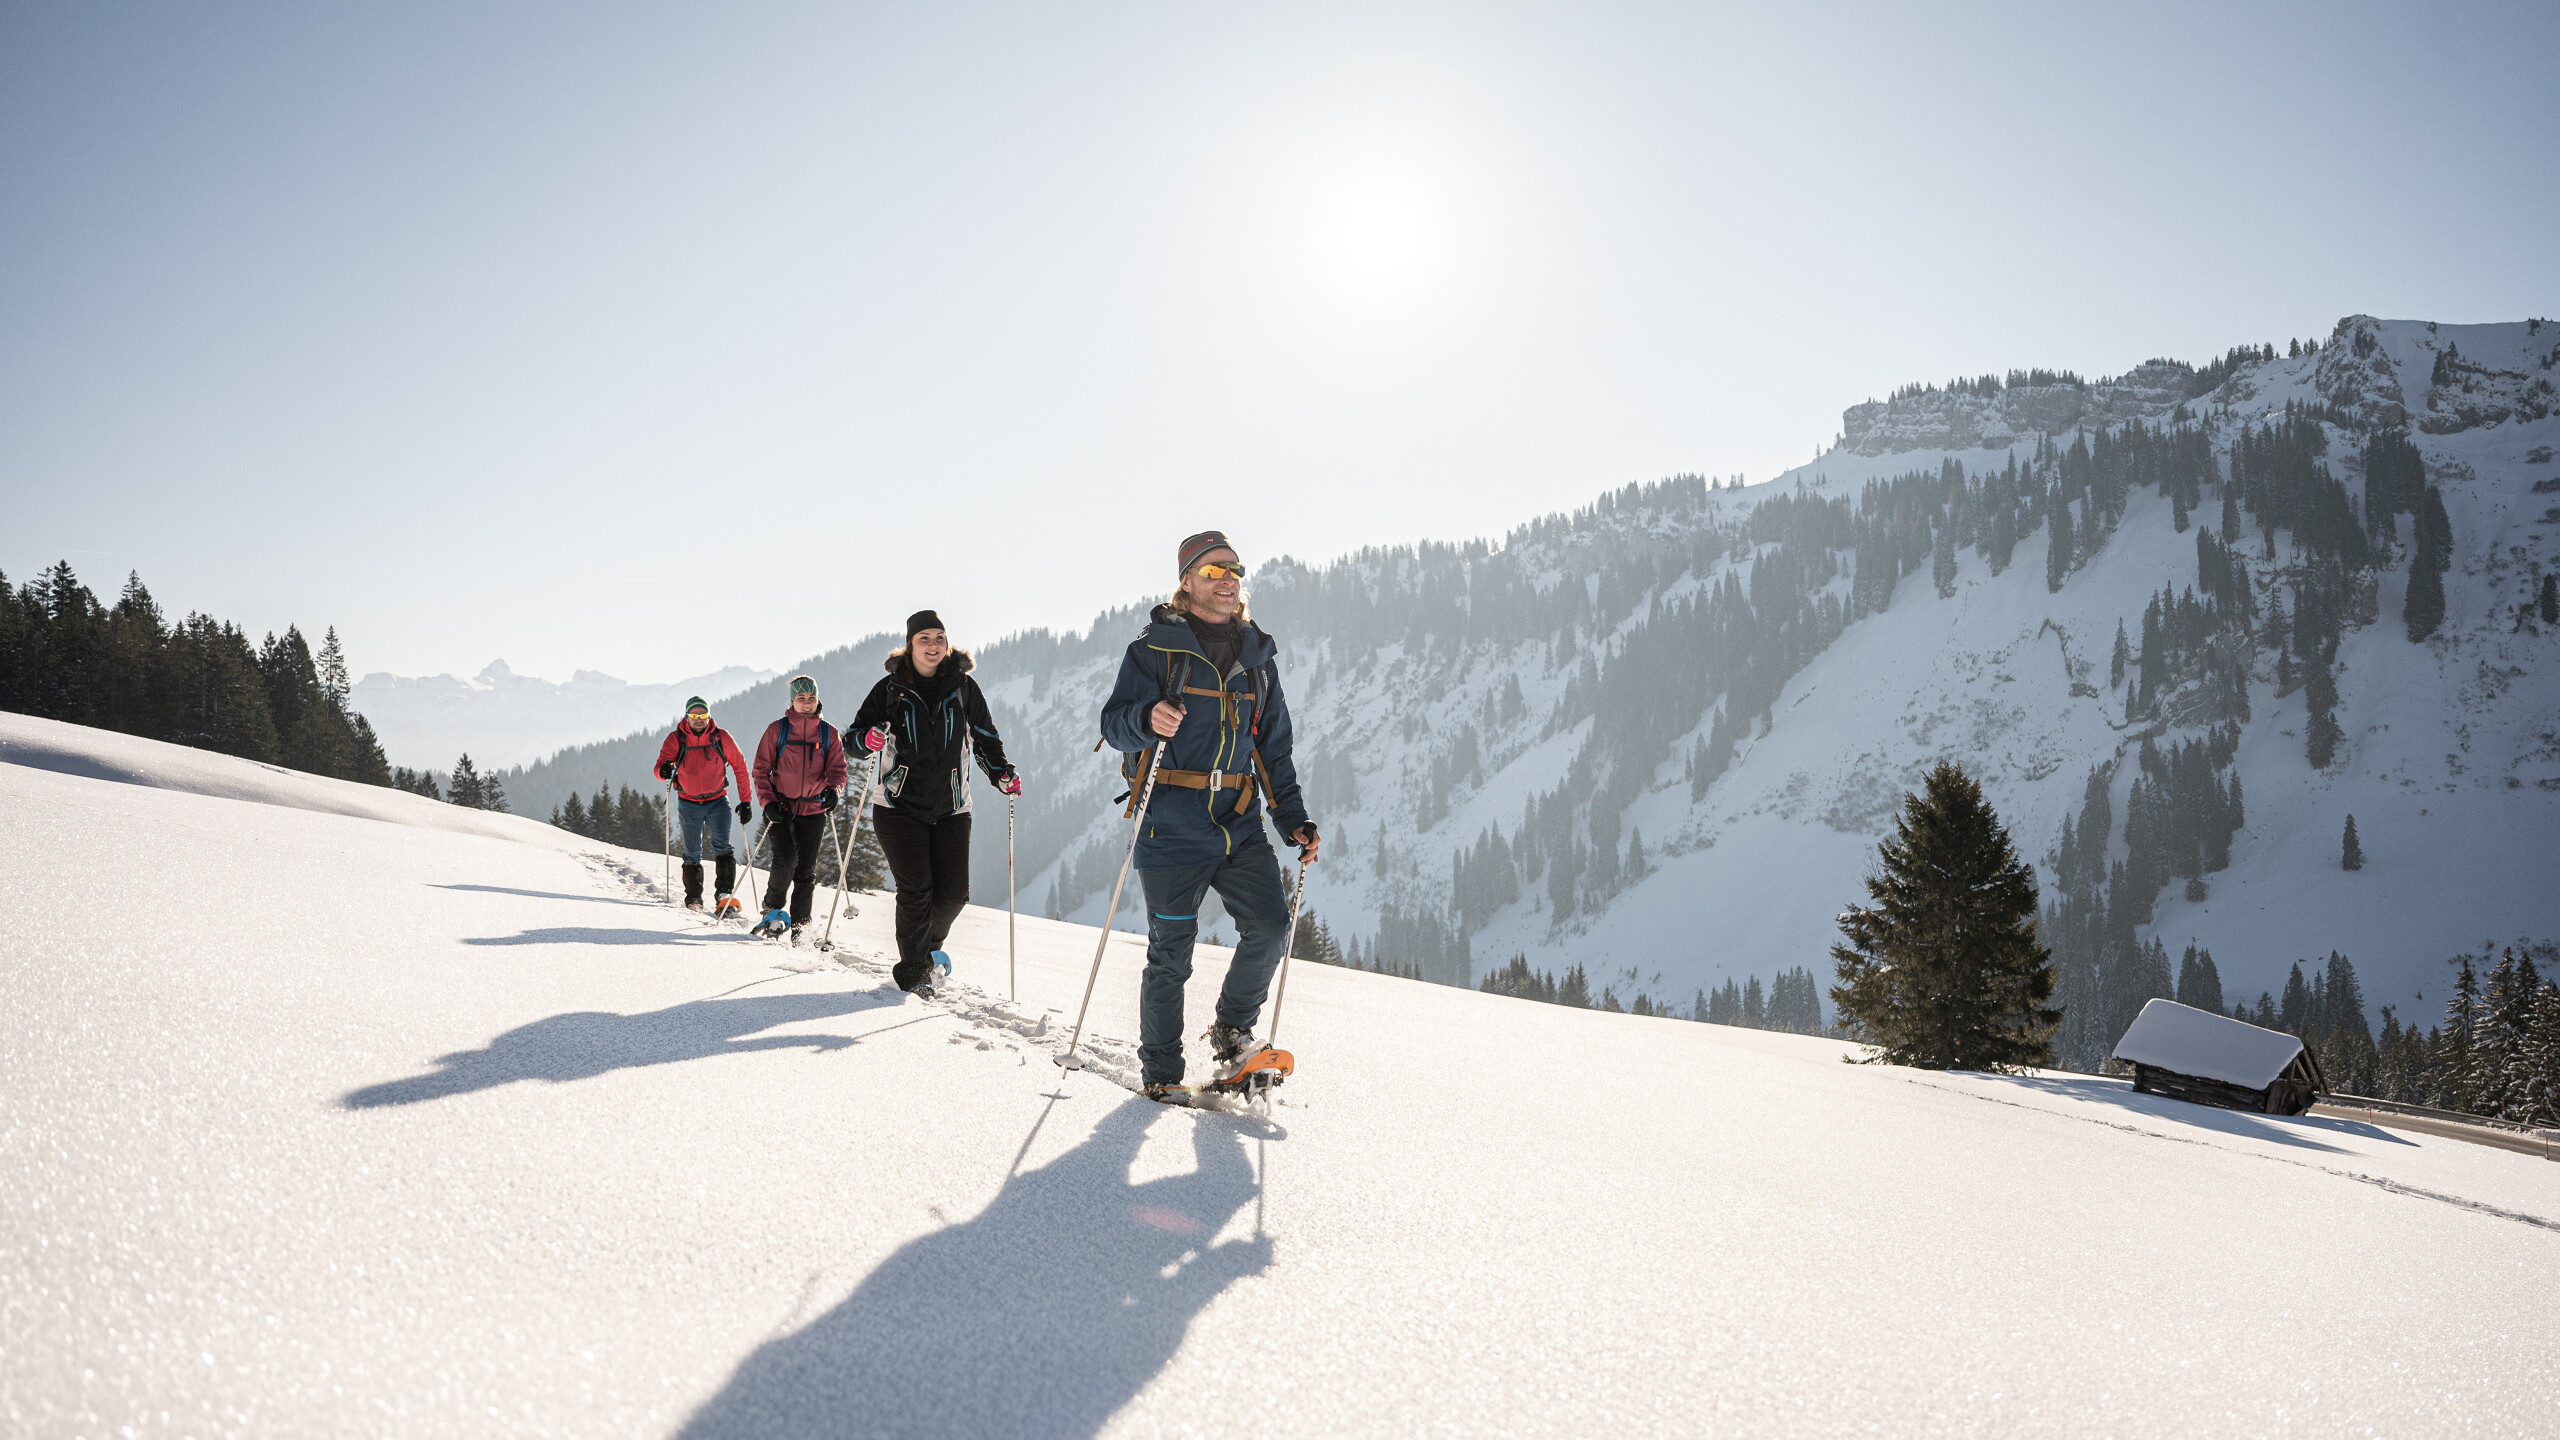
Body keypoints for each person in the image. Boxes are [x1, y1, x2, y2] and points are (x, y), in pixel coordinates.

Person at [1098, 531, 1319, 1102]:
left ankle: (1232, 1031)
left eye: (1234, 569)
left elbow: (1274, 750)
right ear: (1188, 581)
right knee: (1171, 955)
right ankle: (1162, 1073)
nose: (1228, 578)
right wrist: (1148, 716)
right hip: (1169, 823)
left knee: (1270, 927)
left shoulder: (1257, 660)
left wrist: (1292, 819)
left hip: (1238, 820)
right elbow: (1113, 725)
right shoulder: (1154, 649)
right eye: (1214, 569)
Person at [850, 611, 1021, 997]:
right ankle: (911, 974)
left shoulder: (963, 688)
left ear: (947, 644)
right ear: (910, 645)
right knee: (916, 890)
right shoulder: (890, 688)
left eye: (939, 637)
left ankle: (926, 951)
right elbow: (854, 737)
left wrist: (1001, 774)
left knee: (954, 893)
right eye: (923, 638)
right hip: (898, 806)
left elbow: (985, 738)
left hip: (952, 807)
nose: (932, 645)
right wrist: (867, 741)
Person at [751, 674, 849, 939]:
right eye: (801, 698)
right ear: (792, 701)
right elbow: (760, 770)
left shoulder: (828, 733)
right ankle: (772, 912)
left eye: (811, 698)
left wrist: (833, 790)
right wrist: (768, 802)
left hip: (814, 809)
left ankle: (801, 927)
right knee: (784, 861)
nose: (807, 704)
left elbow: (838, 770)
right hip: (781, 808)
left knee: (806, 871)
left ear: (818, 700)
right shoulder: (778, 730)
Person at [652, 695, 756, 916]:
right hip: (689, 803)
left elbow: (740, 766)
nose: (698, 719)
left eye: (702, 715)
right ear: (687, 716)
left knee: (723, 846)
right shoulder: (676, 739)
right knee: (692, 851)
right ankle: (693, 898)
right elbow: (660, 767)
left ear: (709, 715)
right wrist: (663, 772)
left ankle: (724, 895)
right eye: (694, 715)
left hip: (718, 800)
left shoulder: (721, 737)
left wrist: (746, 801)